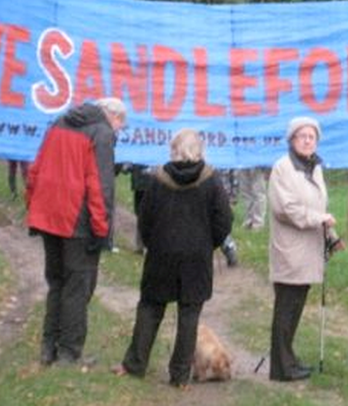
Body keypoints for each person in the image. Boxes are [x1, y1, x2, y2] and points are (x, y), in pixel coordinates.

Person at [113, 129, 233, 387]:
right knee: (189, 315)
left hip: (161, 255)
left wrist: (154, 243)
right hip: (196, 258)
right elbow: (224, 220)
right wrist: (207, 243)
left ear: (174, 149)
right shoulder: (211, 179)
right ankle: (179, 375)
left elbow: (144, 220)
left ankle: (134, 364)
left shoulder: (157, 179)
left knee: (150, 308)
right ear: (199, 149)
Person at [27, 97, 126, 367]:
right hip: (78, 222)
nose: (119, 130)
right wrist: (101, 228)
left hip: (49, 215)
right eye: (121, 124)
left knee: (56, 283)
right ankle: (69, 352)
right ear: (112, 116)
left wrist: (33, 206)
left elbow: (35, 169)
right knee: (77, 287)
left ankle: (49, 348)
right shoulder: (102, 133)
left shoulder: (59, 122)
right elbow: (100, 185)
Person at [267, 116, 337, 382]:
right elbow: (285, 209)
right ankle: (281, 368)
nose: (308, 141)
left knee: (295, 308)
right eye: (302, 136)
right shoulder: (282, 168)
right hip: (290, 250)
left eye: (312, 137)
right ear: (292, 139)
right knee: (286, 307)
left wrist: (331, 235)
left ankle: (288, 359)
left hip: (310, 248)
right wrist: (318, 219)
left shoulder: (314, 168)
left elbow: (319, 208)